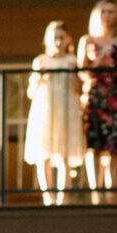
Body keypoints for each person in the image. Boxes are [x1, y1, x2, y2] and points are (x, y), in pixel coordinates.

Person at [23, 20, 82, 205]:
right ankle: (48, 197)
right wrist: (39, 75)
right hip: (45, 110)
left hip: (66, 109)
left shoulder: (72, 61)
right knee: (44, 154)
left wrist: (73, 74)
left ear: (67, 39)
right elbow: (31, 92)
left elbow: (78, 89)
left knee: (64, 154)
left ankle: (63, 197)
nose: (58, 42)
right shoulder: (40, 61)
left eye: (61, 38)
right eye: (54, 38)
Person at [80, 0, 117, 198]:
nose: (108, 16)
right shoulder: (87, 40)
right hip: (95, 96)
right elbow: (81, 72)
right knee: (95, 145)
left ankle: (112, 193)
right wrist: (97, 64)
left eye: (112, 12)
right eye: (104, 12)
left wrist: (116, 67)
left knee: (116, 146)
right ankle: (96, 193)